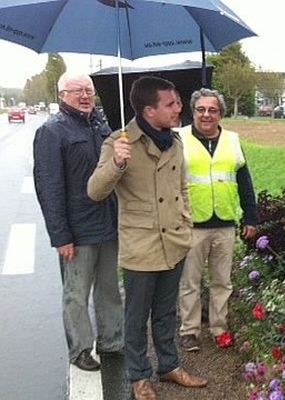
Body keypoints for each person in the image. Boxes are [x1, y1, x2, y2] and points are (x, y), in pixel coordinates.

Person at [87, 76, 207, 400]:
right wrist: (116, 163)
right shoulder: (119, 142)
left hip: (175, 243)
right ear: (148, 110)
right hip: (141, 247)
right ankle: (139, 376)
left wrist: (187, 224)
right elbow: (95, 191)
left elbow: (181, 187)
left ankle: (169, 366)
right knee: (137, 318)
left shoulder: (176, 140)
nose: (179, 108)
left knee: (167, 313)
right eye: (170, 104)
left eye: (178, 102)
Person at [33, 72, 123, 372]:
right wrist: (60, 236)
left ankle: (112, 340)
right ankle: (81, 348)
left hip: (108, 225)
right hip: (77, 231)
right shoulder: (52, 132)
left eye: (89, 90)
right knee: (76, 294)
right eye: (77, 91)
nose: (85, 96)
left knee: (110, 288)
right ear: (62, 96)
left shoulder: (102, 127)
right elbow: (49, 187)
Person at [177, 88, 258, 351]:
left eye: (212, 110)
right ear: (193, 112)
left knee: (222, 281)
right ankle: (189, 330)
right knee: (190, 281)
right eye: (201, 109)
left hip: (224, 222)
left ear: (220, 113)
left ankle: (219, 327)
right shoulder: (179, 139)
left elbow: (245, 182)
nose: (206, 115)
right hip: (192, 223)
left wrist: (251, 216)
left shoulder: (233, 141)